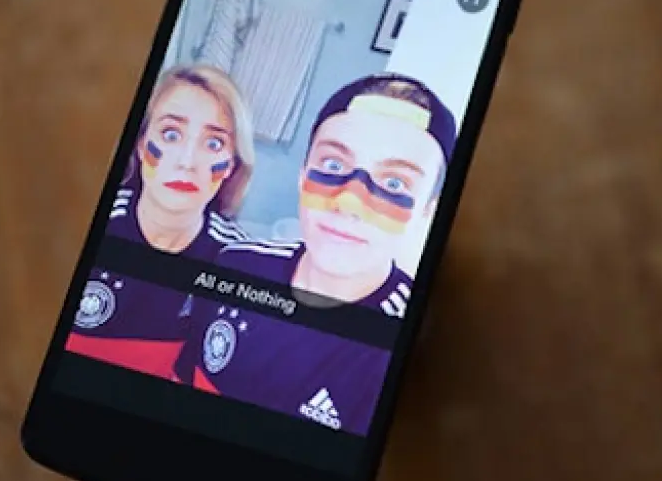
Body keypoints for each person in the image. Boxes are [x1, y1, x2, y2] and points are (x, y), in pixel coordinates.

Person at [174, 73, 456, 431]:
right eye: (333, 165)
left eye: (394, 183)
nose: (348, 202)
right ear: (303, 174)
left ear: (428, 210)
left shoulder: (415, 349)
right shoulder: (233, 264)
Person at [66, 66, 257, 380]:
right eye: (171, 134)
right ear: (142, 145)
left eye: (213, 143)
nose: (187, 162)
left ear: (230, 166)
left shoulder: (237, 261)